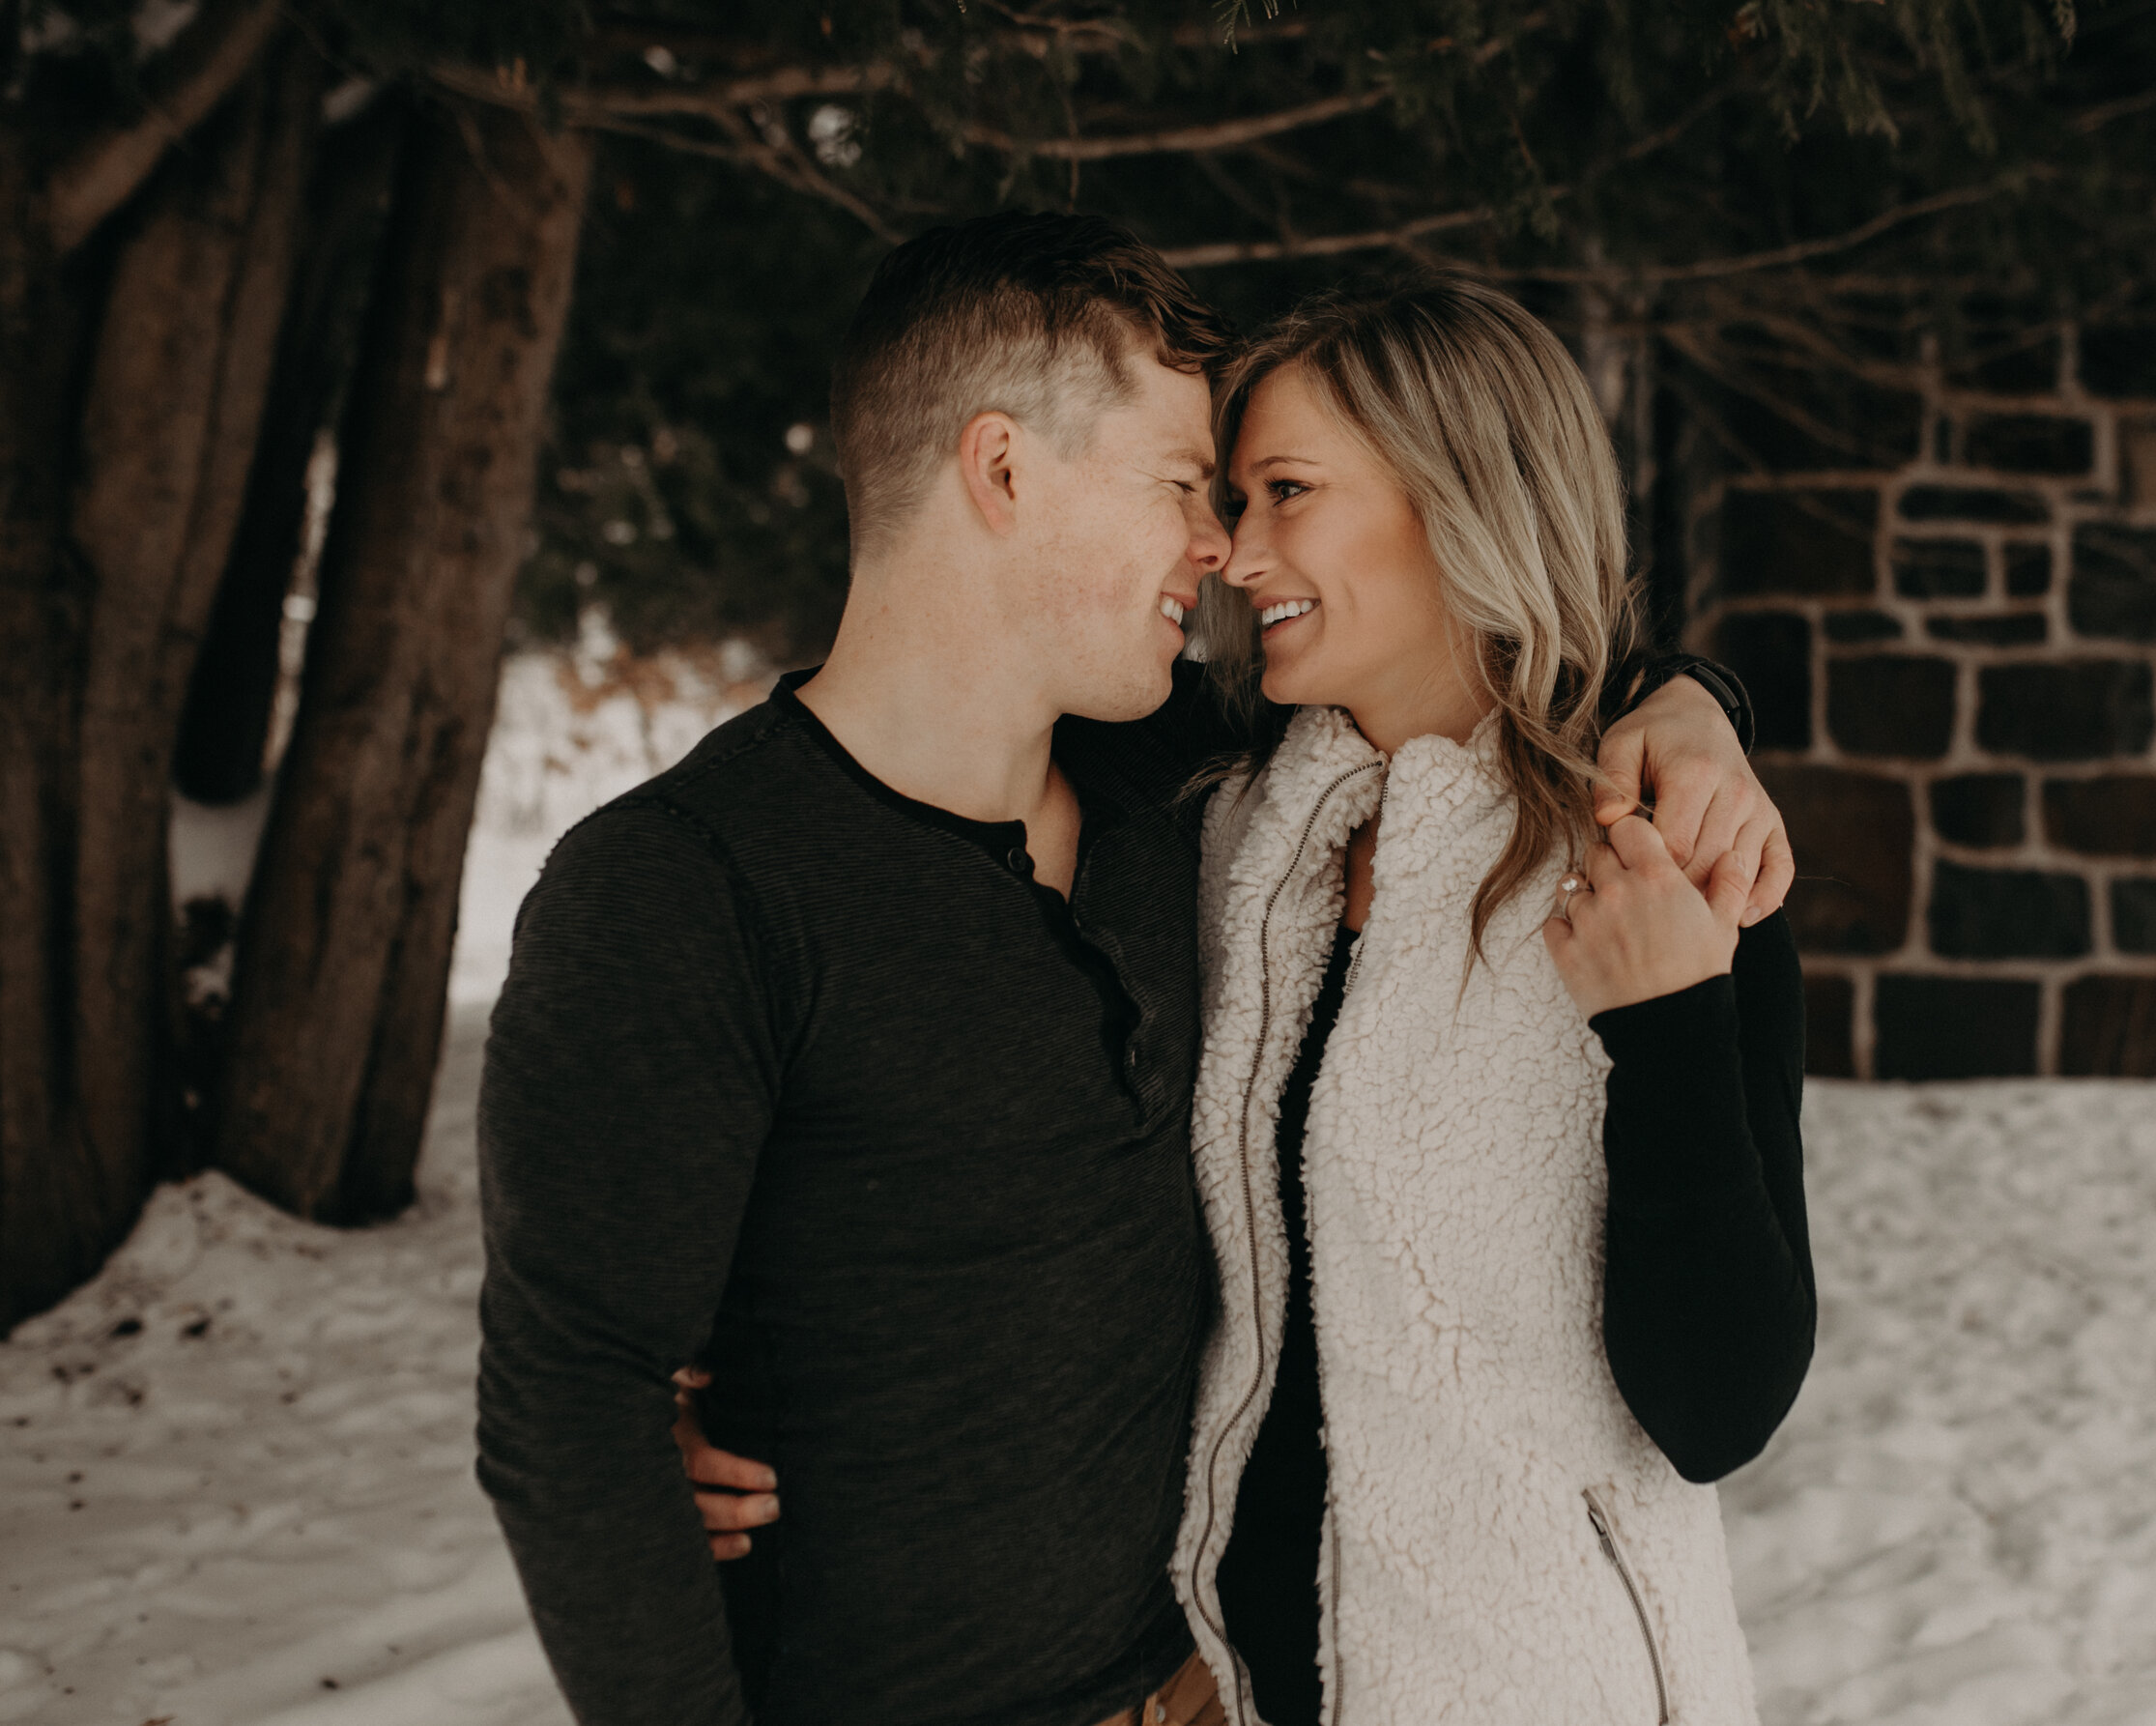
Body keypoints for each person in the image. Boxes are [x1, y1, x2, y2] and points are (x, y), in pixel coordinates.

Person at [476, 214, 1790, 1726]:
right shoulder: (682, 887)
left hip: (1209, 1695)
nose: (1220, 547)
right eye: (1188, 485)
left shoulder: (1180, 795)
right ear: (1001, 469)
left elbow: (1469, 662)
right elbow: (568, 1395)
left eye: (1248, 493)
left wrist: (1692, 705)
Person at [1167, 280, 1816, 1725]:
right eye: (1230, 495)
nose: (1233, 549)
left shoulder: (1664, 857)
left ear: (1457, 499)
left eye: (1286, 492)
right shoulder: (1236, 839)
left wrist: (1670, 1024)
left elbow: (1721, 1403)